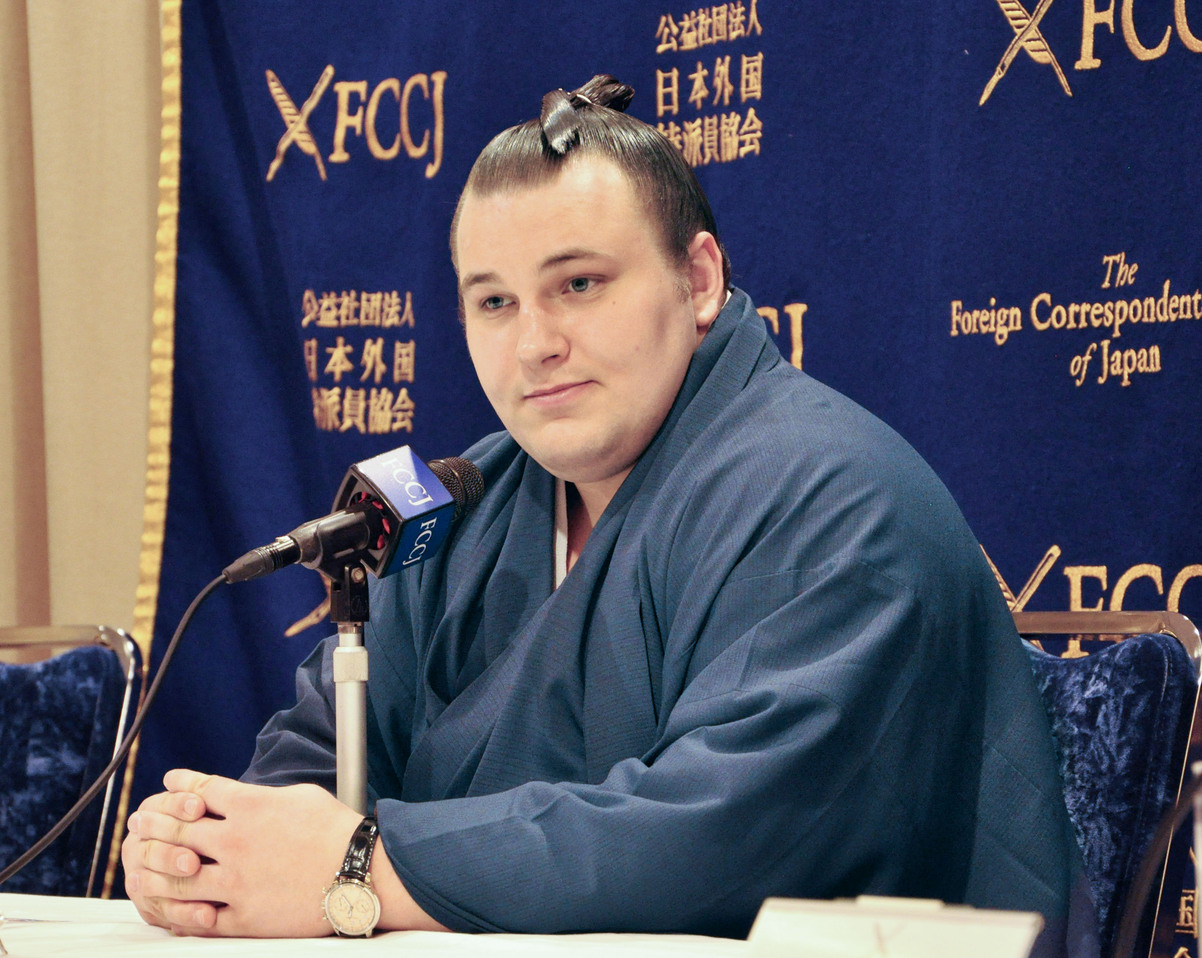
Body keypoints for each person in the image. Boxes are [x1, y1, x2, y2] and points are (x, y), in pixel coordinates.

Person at [123, 75, 1096, 956]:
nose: (534, 344)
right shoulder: (459, 506)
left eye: (578, 285)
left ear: (699, 281)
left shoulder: (835, 498)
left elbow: (721, 835)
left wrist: (361, 868)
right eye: (494, 303)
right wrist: (216, 853)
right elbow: (320, 752)